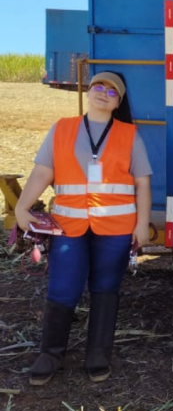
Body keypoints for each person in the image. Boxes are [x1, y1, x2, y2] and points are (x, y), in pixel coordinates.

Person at [15, 72, 152, 385]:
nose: (104, 93)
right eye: (98, 87)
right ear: (88, 92)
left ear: (119, 102)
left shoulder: (130, 135)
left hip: (116, 227)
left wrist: (142, 224)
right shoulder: (62, 128)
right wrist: (22, 207)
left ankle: (98, 353)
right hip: (69, 226)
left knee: (106, 288)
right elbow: (42, 172)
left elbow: (143, 183)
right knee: (63, 287)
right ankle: (50, 353)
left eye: (112, 91)